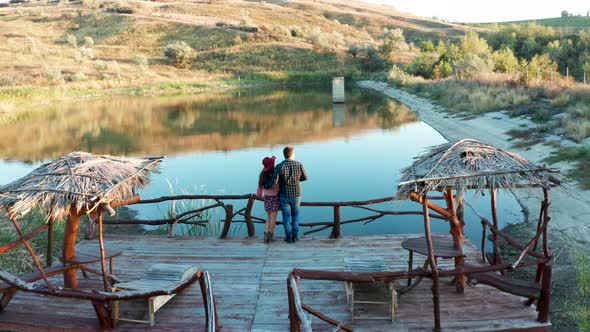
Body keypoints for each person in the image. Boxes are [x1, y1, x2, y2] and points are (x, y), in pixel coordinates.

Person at [265, 146, 308, 243]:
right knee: (295, 216)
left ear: (284, 155)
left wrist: (265, 186)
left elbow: (274, 182)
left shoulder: (279, 166)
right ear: (292, 154)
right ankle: (295, 236)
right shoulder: (299, 164)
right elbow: (305, 177)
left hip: (284, 195)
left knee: (286, 217)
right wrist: (297, 180)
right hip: (297, 194)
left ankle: (288, 237)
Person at [256, 156, 279, 243]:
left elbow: (259, 189)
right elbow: (277, 189)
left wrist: (261, 195)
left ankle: (266, 235)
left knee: (268, 217)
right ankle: (271, 236)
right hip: (274, 198)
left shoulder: (262, 175)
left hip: (266, 199)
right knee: (273, 218)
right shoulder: (274, 176)